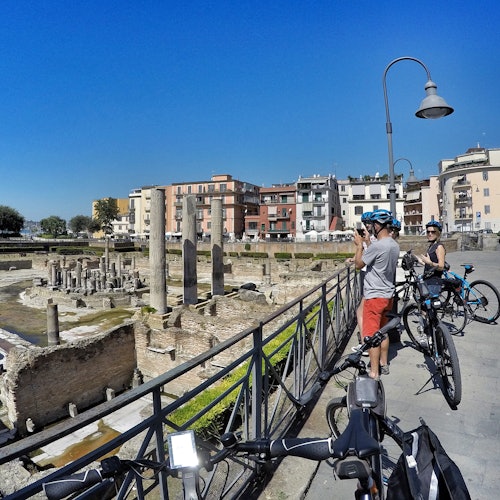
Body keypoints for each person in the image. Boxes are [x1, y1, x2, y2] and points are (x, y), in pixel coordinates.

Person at [353, 209, 400, 380]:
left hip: (374, 296)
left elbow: (359, 264)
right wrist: (368, 243)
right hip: (388, 295)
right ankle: (384, 363)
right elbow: (378, 255)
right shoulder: (394, 245)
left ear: (378, 225)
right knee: (383, 331)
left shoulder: (378, 246)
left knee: (372, 336)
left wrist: (359, 246)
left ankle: (374, 373)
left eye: (373, 224)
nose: (371, 227)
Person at [418, 220, 446, 296]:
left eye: (433, 232)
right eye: (428, 232)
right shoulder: (431, 246)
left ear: (438, 233)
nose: (430, 234)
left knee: (431, 306)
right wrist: (419, 260)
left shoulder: (439, 247)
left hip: (434, 283)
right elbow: (429, 264)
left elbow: (441, 266)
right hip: (427, 280)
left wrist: (429, 262)